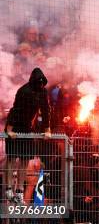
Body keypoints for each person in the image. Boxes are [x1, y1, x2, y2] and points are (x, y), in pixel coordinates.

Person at [4, 68, 51, 204]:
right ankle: (8, 189)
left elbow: (46, 111)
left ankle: (19, 191)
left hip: (27, 128)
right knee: (12, 158)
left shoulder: (43, 92)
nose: (41, 85)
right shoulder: (23, 90)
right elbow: (15, 110)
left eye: (43, 83)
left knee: (25, 159)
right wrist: (10, 129)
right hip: (15, 125)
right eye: (38, 82)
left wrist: (47, 130)